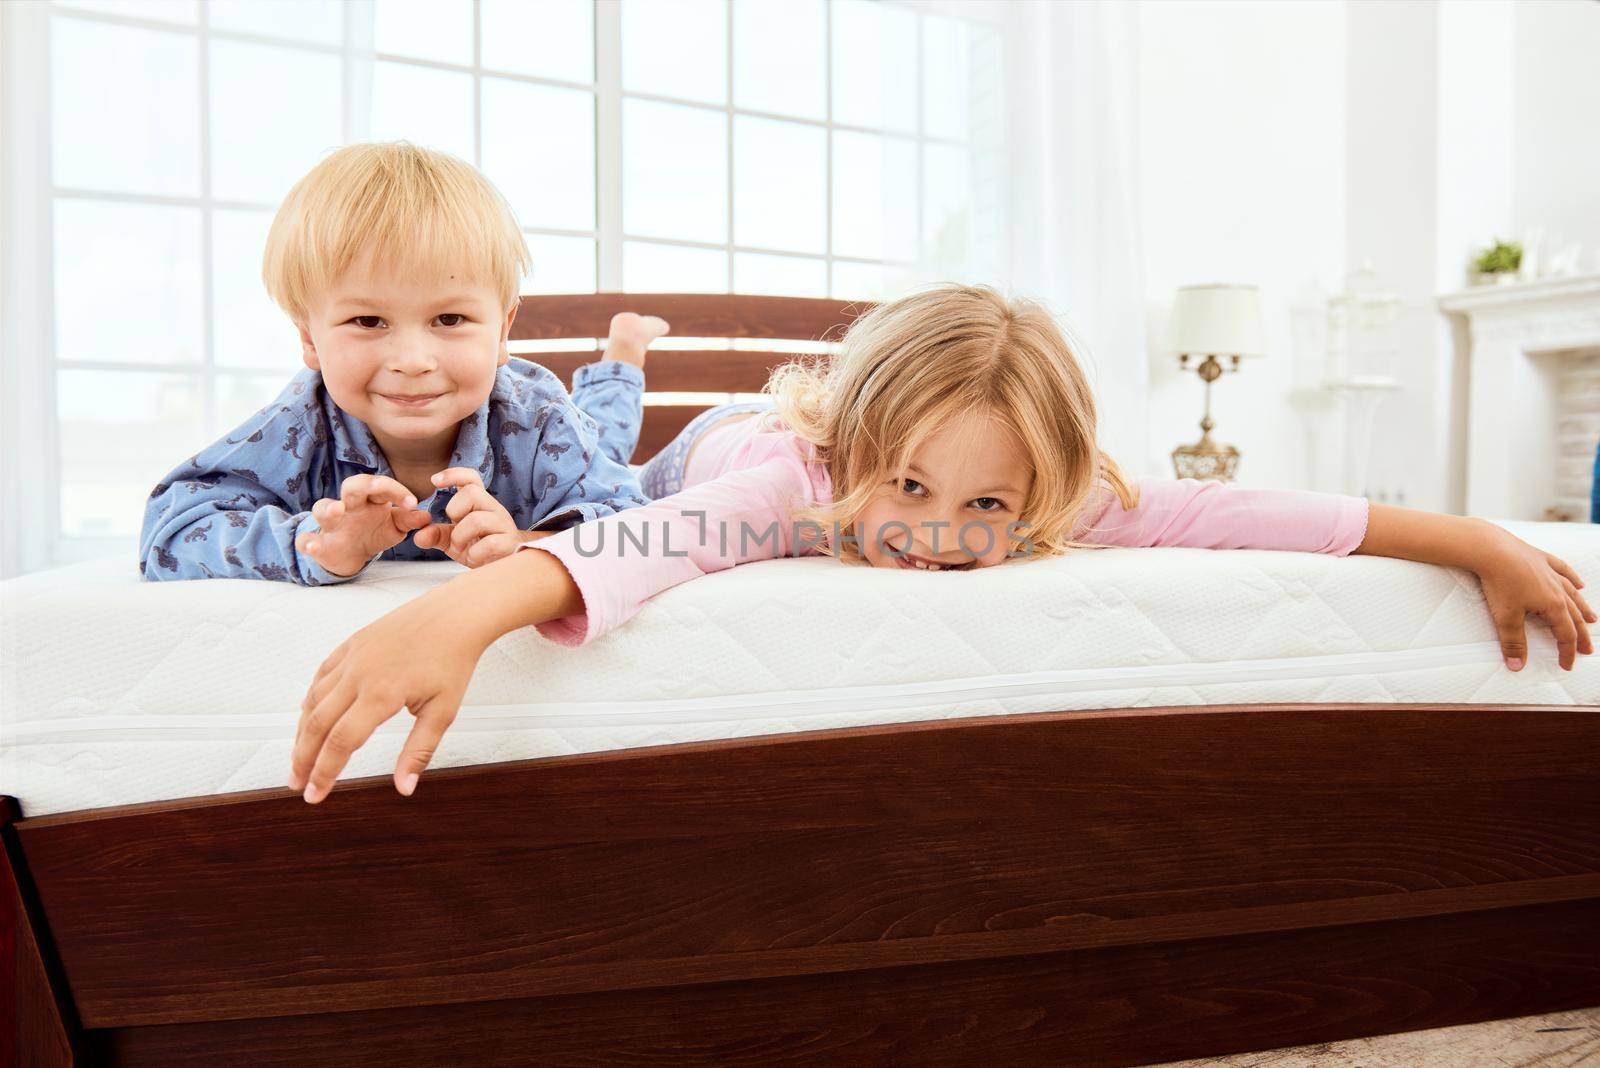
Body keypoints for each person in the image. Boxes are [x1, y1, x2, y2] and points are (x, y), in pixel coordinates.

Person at [288, 285, 1595, 803]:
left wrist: (1472, 535)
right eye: (909, 485)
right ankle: (622, 365)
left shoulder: (1058, 494)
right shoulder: (784, 483)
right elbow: (648, 544)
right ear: (856, 450)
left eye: (990, 509)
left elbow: (1266, 515)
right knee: (600, 464)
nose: (939, 536)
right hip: (688, 455)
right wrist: (459, 613)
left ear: (1048, 484)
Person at [139, 141, 667, 585]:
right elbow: (171, 530)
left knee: (608, 433)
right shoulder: (299, 425)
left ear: (503, 332)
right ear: (310, 341)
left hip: (567, 430)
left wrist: (530, 544)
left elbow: (634, 525)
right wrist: (315, 545)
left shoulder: (539, 418)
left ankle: (624, 350)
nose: (413, 361)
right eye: (369, 322)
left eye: (450, 319)